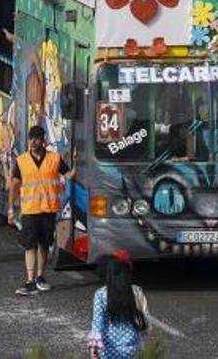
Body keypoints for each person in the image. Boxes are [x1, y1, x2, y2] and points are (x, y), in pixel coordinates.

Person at [8, 124, 75, 296]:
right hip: (30, 210)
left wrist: (79, 160)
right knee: (29, 245)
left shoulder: (54, 158)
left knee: (44, 244)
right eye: (31, 138)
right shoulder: (22, 161)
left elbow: (69, 175)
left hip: (48, 209)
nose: (34, 141)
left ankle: (40, 277)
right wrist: (11, 209)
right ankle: (29, 280)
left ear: (43, 140)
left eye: (37, 138)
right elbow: (14, 185)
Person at [88, 252, 149, 359]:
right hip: (132, 349)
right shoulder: (136, 292)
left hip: (107, 351)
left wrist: (94, 349)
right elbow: (144, 320)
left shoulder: (101, 294)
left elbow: (97, 324)